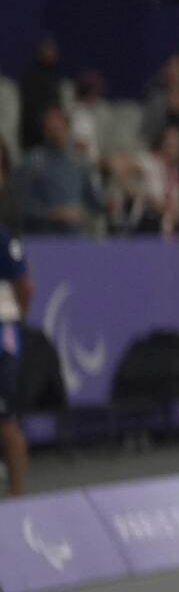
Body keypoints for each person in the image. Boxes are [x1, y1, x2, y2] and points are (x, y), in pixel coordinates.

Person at [16, 107, 103, 235]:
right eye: (51, 130)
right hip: (42, 238)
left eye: (60, 129)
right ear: (44, 132)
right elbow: (20, 205)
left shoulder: (80, 162)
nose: (56, 134)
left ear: (68, 129)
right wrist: (53, 214)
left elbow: (96, 201)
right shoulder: (32, 163)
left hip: (76, 238)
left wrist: (84, 211)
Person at [0, 235, 29, 495]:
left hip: (2, 335)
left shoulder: (4, 239)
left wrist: (18, 316)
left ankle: (18, 500)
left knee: (6, 422)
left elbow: (25, 286)